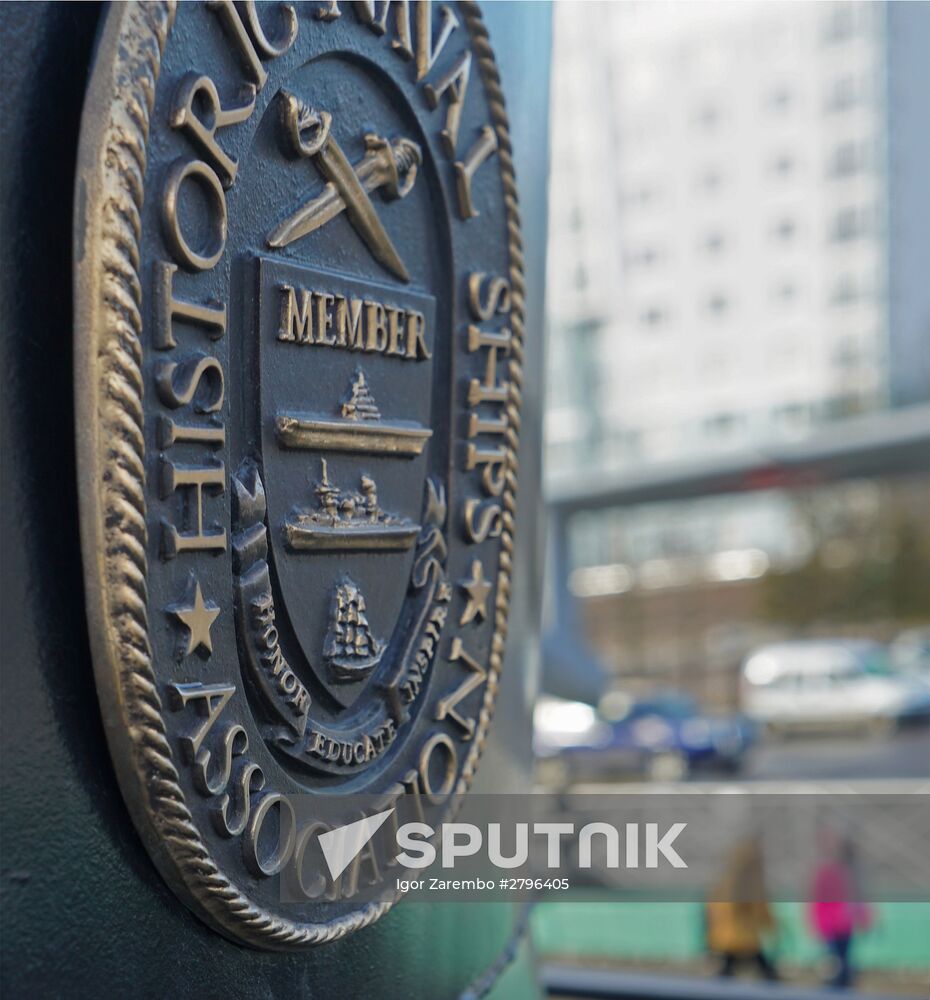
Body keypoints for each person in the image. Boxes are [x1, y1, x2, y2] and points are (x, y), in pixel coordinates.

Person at [705, 835, 778, 980]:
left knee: (727, 972)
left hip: (727, 940)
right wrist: (772, 926)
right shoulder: (751, 886)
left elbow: (713, 910)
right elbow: (761, 912)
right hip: (746, 940)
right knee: (767, 973)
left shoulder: (725, 883)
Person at [808, 829, 873, 989]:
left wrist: (863, 917)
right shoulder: (826, 873)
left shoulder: (846, 874)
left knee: (842, 962)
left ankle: (842, 983)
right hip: (832, 926)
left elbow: (856, 899)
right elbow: (819, 902)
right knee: (835, 963)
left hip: (843, 925)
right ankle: (837, 984)